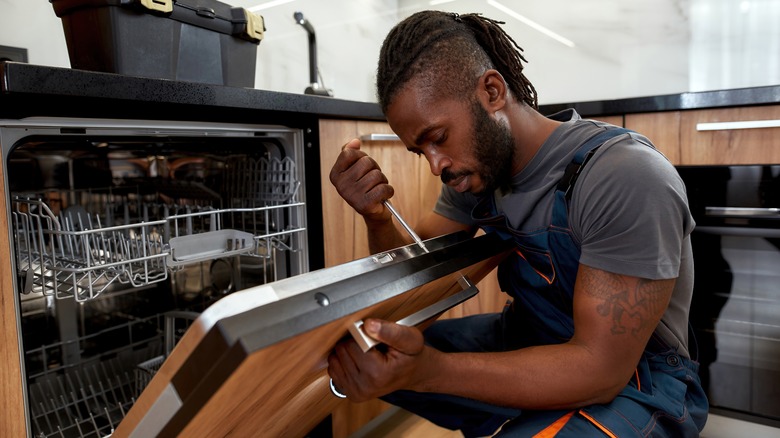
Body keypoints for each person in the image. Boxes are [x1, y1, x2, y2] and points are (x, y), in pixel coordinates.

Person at [327, 10, 708, 437]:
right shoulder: (474, 172)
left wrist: (428, 372)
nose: (436, 166)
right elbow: (416, 292)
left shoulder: (621, 175)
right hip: (533, 335)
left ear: (491, 91)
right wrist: (376, 218)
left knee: (414, 367)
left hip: (638, 379)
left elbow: (601, 371)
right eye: (421, 151)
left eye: (438, 138)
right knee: (368, 357)